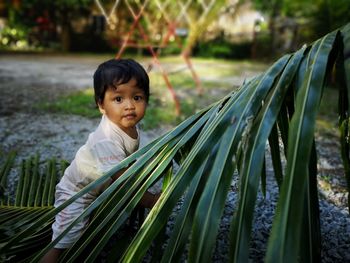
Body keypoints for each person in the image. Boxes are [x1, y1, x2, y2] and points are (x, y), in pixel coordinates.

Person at [41, 58, 159, 262]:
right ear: (101, 105)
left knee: (89, 229)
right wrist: (150, 200)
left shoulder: (127, 124)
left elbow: (126, 165)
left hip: (99, 188)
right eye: (118, 99)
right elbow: (124, 184)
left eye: (137, 97)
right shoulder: (107, 139)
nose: (130, 106)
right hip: (76, 193)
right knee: (65, 238)